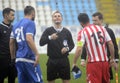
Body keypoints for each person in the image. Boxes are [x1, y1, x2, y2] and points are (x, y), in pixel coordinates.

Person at [73, 13, 115, 83]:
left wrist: (74, 62)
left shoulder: (82, 32)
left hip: (93, 64)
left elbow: (79, 48)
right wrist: (112, 58)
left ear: (80, 23)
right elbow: (110, 44)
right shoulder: (102, 28)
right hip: (105, 62)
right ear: (89, 20)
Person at [9, 6, 43, 83]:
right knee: (38, 80)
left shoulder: (15, 25)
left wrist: (13, 57)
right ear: (33, 13)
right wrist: (37, 54)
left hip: (19, 59)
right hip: (29, 58)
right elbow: (28, 38)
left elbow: (11, 42)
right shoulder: (30, 22)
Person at [39, 10, 74, 83]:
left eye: (59, 16)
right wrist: (50, 37)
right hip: (52, 61)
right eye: (55, 16)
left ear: (62, 18)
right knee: (51, 81)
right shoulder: (48, 30)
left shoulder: (66, 31)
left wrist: (67, 48)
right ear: (52, 18)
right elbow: (41, 43)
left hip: (64, 60)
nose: (57, 18)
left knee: (66, 81)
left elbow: (72, 45)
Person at [0, 8, 17, 83]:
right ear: (6, 15)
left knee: (12, 79)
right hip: (2, 59)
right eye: (12, 15)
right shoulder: (0, 27)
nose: (14, 17)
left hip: (13, 59)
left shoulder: (14, 28)